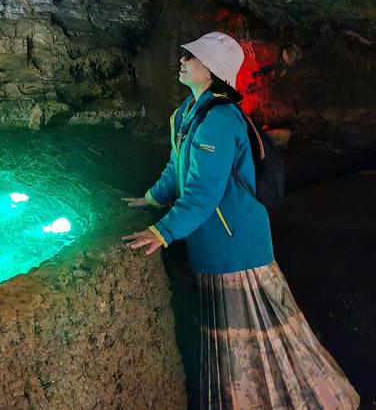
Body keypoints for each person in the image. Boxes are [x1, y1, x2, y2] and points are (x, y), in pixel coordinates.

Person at [122, 31, 359, 409]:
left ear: (214, 71)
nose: (183, 60)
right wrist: (149, 198)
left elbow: (204, 192)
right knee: (240, 332)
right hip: (216, 243)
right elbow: (177, 166)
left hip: (236, 247)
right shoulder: (187, 111)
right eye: (187, 55)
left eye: (193, 57)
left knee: (258, 329)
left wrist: (161, 231)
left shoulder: (218, 120)